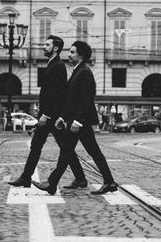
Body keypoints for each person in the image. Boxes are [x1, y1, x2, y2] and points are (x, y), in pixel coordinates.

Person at [33, 41, 118, 196]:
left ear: (81, 55)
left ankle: (52, 183)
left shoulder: (84, 72)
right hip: (74, 121)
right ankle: (108, 181)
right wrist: (63, 117)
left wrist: (77, 121)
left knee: (75, 152)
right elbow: (71, 100)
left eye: (72, 52)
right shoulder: (77, 71)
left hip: (79, 123)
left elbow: (86, 99)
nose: (69, 55)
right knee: (77, 152)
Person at [8, 35, 85, 189]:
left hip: (52, 116)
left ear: (55, 48)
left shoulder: (58, 66)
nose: (44, 47)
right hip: (50, 115)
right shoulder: (52, 64)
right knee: (43, 146)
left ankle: (26, 177)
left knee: (60, 147)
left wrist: (46, 114)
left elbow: (56, 93)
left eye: (47, 44)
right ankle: (26, 177)